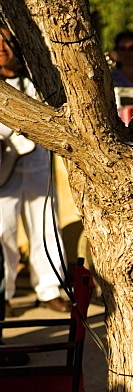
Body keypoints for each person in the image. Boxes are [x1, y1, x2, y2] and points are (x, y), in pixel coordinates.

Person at [0, 28, 69, 314]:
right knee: (3, 231)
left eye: (6, 40)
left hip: (38, 161)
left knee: (45, 226)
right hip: (4, 168)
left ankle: (50, 288)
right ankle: (3, 293)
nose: (3, 47)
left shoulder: (35, 81)